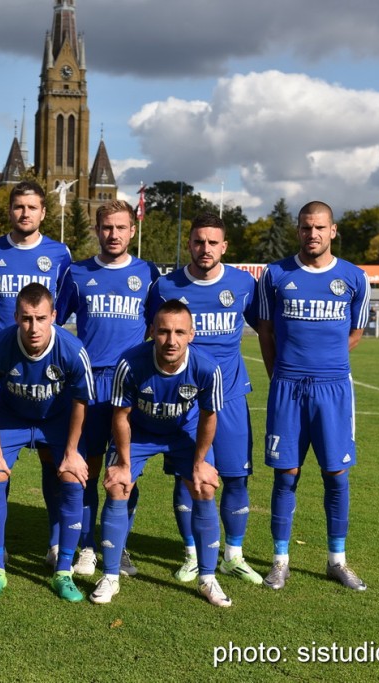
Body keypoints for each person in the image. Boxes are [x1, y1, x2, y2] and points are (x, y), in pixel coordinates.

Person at [257, 200, 371, 592]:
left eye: (320, 227)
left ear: (333, 230)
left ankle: (336, 561)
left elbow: (354, 332)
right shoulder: (275, 275)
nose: (313, 234)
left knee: (336, 474)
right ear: (298, 231)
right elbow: (266, 334)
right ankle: (279, 561)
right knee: (285, 473)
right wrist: (281, 375)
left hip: (334, 389)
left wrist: (327, 364)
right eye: (306, 228)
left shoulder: (355, 278)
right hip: (287, 386)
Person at [144, 213, 262, 587]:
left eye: (213, 242)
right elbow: (153, 337)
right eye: (198, 241)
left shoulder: (244, 284)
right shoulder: (165, 286)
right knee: (186, 478)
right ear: (189, 244)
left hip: (228, 399)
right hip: (185, 403)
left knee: (236, 477)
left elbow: (267, 329)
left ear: (224, 246)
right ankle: (193, 556)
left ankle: (234, 556)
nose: (205, 248)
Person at [91, 300, 229, 607]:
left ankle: (208, 578)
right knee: (117, 484)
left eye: (179, 332)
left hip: (184, 432)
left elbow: (209, 417)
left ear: (192, 334)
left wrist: (199, 463)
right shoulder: (130, 362)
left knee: (204, 485)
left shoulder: (206, 367)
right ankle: (111, 576)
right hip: (138, 432)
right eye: (164, 331)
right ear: (152, 331)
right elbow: (121, 415)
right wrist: (124, 464)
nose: (171, 340)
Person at [0, 180, 72, 573]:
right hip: (0, 375)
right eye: (18, 207)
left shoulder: (60, 254)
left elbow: (60, 313)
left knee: (53, 462)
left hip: (47, 377)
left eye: (32, 207)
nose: (25, 213)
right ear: (10, 210)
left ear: (43, 212)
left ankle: (54, 543)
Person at [0, 283, 95, 602]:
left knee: (72, 478)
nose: (33, 327)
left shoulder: (72, 350)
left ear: (54, 316)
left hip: (56, 419)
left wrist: (71, 452)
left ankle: (63, 571)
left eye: (40, 318)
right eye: (26, 318)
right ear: (16, 317)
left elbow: (82, 401)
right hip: (11, 418)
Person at [60, 199, 159, 578]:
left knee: (124, 468)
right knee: (86, 468)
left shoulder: (147, 273)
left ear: (132, 230)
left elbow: (156, 324)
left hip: (130, 387)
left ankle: (118, 544)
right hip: (89, 383)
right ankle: (86, 546)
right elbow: (56, 321)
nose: (113, 234)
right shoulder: (77, 272)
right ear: (97, 230)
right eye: (107, 228)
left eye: (120, 228)